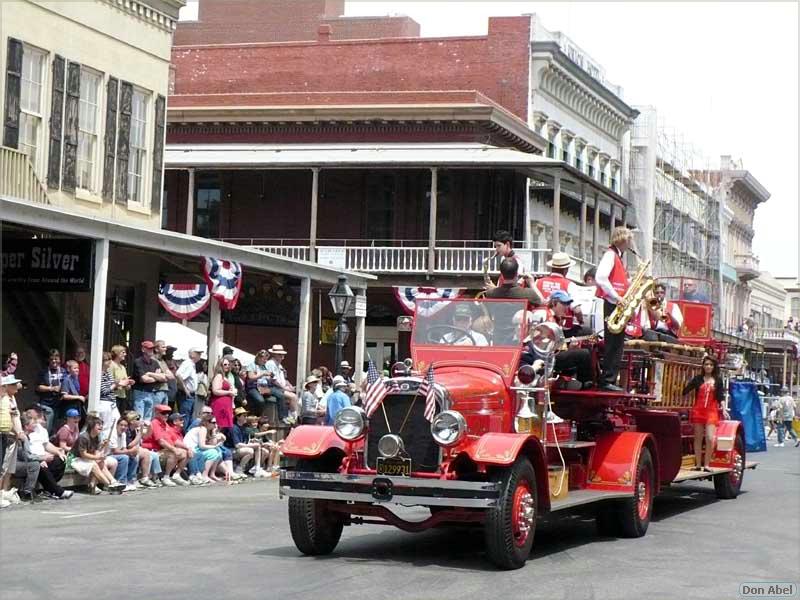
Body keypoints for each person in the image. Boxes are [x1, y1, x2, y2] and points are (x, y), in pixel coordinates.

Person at [524, 291, 593, 388]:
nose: (566, 307)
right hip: (542, 357)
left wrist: (570, 348)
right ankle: (585, 384)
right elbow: (533, 338)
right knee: (583, 354)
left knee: (586, 332)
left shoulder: (557, 318)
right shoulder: (542, 314)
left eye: (568, 304)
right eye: (563, 303)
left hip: (551, 352)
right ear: (554, 303)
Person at [595, 227, 633, 392]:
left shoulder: (617, 256)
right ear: (623, 240)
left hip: (616, 304)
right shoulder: (611, 255)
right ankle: (607, 380)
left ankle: (610, 378)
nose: (630, 244)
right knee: (613, 343)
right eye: (629, 240)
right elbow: (601, 278)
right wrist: (617, 297)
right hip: (613, 304)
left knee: (617, 343)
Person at [682, 356, 728, 470]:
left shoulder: (718, 380)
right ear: (703, 366)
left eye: (711, 365)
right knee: (697, 438)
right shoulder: (698, 379)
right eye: (706, 364)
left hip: (711, 411)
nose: (708, 366)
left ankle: (707, 464)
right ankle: (698, 464)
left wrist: (724, 408)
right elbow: (686, 390)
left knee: (710, 438)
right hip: (698, 410)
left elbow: (720, 396)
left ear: (714, 367)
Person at [15, 413, 73, 501]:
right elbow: (24, 455)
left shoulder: (27, 436)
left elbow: (32, 454)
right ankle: (27, 492)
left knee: (58, 460)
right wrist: (42, 458)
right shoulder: (22, 437)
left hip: (29, 460)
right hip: (16, 464)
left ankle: (50, 489)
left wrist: (56, 452)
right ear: (26, 426)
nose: (35, 425)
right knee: (35, 465)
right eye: (33, 424)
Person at [71, 415, 124, 494]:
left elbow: (96, 452)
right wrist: (97, 457)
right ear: (92, 426)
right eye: (98, 425)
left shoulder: (96, 437)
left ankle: (113, 482)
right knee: (94, 464)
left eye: (101, 425)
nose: (101, 426)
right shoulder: (83, 437)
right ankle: (108, 485)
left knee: (100, 461)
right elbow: (83, 454)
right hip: (77, 460)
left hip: (87, 459)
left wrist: (102, 447)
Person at [141, 404, 191, 487]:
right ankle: (166, 477)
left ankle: (176, 475)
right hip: (154, 452)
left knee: (186, 453)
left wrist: (188, 448)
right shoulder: (155, 423)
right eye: (163, 413)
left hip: (163, 451)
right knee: (173, 453)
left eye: (168, 413)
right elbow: (161, 441)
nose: (167, 415)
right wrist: (174, 449)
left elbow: (175, 440)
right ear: (157, 413)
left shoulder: (165, 424)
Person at [1, 374, 25, 507]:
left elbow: (21, 385)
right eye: (13, 384)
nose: (16, 386)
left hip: (14, 438)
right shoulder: (4, 399)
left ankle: (4, 492)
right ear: (6, 387)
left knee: (10, 469)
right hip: (8, 436)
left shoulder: (12, 397)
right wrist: (18, 432)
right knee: (3, 468)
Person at [123, 411, 162, 488]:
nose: (140, 420)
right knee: (138, 454)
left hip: (136, 448)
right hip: (127, 449)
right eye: (137, 419)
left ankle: (147, 477)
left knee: (152, 454)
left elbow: (146, 436)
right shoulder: (127, 430)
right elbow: (129, 445)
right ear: (131, 421)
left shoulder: (135, 429)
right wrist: (140, 432)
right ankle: (132, 479)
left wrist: (150, 427)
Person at [131, 341, 167, 423]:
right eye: (149, 348)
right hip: (140, 393)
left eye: (152, 348)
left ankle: (145, 435)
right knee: (139, 419)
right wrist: (156, 377)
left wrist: (150, 374)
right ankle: (139, 435)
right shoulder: (138, 361)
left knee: (148, 420)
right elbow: (144, 379)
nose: (151, 350)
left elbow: (164, 378)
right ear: (143, 349)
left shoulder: (154, 362)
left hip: (151, 393)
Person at [184, 414, 224, 485]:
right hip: (191, 449)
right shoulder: (203, 429)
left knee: (218, 451)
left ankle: (211, 474)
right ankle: (204, 475)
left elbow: (213, 444)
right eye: (213, 422)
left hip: (196, 448)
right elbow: (202, 446)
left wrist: (214, 433)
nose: (215, 424)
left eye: (216, 422)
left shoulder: (208, 430)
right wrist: (214, 447)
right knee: (213, 453)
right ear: (206, 422)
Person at [36, 349, 67, 433]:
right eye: (51, 359)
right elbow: (38, 387)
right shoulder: (44, 372)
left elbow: (67, 384)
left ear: (59, 359)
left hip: (59, 403)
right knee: (47, 425)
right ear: (48, 360)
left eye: (56, 359)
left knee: (56, 426)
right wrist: (51, 388)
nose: (54, 361)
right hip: (46, 403)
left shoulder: (64, 371)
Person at [230, 407, 268, 477]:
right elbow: (237, 445)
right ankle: (239, 469)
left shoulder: (243, 428)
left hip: (240, 448)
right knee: (250, 450)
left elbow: (245, 442)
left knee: (257, 446)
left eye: (246, 416)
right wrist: (251, 445)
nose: (246, 418)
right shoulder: (234, 428)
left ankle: (257, 468)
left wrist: (252, 441)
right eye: (244, 416)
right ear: (238, 417)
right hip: (232, 450)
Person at [265, 345, 298, 425]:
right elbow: (273, 379)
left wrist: (289, 386)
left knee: (295, 396)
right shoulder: (270, 364)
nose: (282, 357)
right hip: (273, 386)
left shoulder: (279, 365)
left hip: (281, 387)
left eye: (282, 355)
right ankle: (291, 418)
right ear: (274, 354)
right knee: (293, 397)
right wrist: (285, 388)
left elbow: (284, 379)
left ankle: (291, 416)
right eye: (280, 354)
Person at [108, 417, 140, 492]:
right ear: (117, 425)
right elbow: (114, 451)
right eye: (121, 425)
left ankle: (129, 481)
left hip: (117, 454)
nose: (123, 427)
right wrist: (130, 451)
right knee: (124, 458)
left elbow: (124, 448)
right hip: (108, 455)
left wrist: (131, 453)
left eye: (125, 426)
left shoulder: (123, 434)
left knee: (133, 457)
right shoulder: (113, 434)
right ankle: (121, 482)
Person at [175, 347, 203, 430]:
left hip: (190, 395)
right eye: (198, 353)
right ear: (192, 354)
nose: (200, 355)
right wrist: (185, 389)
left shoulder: (192, 364)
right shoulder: (187, 363)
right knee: (185, 417)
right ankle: (182, 435)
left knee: (189, 417)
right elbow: (178, 374)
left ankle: (185, 435)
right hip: (186, 395)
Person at [210, 357, 237, 436]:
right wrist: (229, 392)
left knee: (223, 427)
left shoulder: (225, 376)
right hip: (219, 405)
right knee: (218, 425)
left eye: (228, 364)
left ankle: (219, 442)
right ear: (220, 365)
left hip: (226, 405)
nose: (227, 366)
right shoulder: (218, 376)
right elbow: (215, 390)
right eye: (225, 364)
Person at [97, 352, 121, 440]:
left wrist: (119, 384)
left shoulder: (108, 373)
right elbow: (103, 391)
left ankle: (112, 444)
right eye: (108, 360)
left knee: (117, 422)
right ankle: (102, 444)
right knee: (105, 426)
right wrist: (115, 385)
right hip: (104, 402)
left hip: (112, 402)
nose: (110, 362)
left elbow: (112, 387)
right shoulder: (99, 374)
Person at [244, 349, 271, 417]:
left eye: (266, 359)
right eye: (264, 359)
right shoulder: (252, 365)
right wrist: (262, 374)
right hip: (253, 387)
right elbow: (251, 377)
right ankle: (258, 416)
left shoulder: (264, 366)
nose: (265, 361)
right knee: (260, 400)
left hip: (263, 387)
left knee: (274, 396)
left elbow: (267, 376)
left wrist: (269, 377)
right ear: (259, 358)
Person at [59, 360, 86, 424]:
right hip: (68, 408)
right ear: (68, 369)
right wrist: (78, 397)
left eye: (78, 368)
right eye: (75, 368)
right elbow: (64, 396)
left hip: (76, 407)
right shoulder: (66, 380)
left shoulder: (75, 379)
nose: (77, 370)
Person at [109, 345, 134, 414]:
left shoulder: (122, 367)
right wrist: (122, 382)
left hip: (122, 396)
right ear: (117, 353)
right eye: (123, 352)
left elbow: (126, 383)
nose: (125, 354)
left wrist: (128, 383)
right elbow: (109, 380)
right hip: (114, 396)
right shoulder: (111, 364)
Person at [153, 340, 176, 409]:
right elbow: (161, 377)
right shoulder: (153, 360)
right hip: (156, 391)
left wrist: (162, 374)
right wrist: (163, 375)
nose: (165, 349)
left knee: (163, 414)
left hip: (165, 391)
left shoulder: (162, 361)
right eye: (163, 347)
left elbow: (172, 376)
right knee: (155, 414)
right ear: (156, 349)